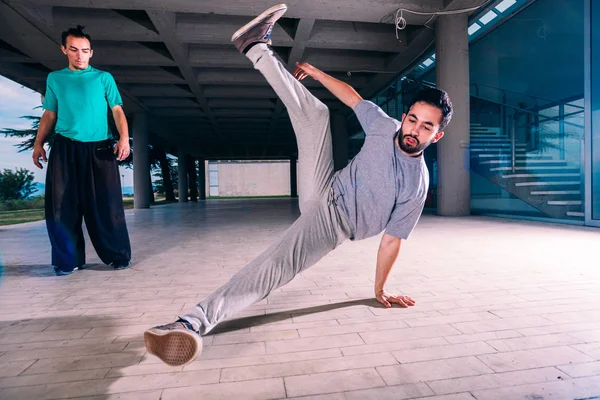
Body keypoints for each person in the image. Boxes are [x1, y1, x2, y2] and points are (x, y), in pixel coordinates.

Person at [144, 4, 453, 367]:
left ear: (437, 135)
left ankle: (191, 322)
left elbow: (392, 240)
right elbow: (352, 96)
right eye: (413, 120)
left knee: (276, 265)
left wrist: (379, 289)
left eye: (426, 127)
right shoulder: (385, 125)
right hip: (324, 186)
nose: (414, 130)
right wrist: (319, 74)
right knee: (317, 114)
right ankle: (255, 46)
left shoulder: (417, 185)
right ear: (404, 117)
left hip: (333, 224)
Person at [32, 25, 132, 276]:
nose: (80, 55)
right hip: (65, 148)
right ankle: (68, 260)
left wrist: (124, 139)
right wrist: (38, 143)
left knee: (106, 205)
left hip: (100, 149)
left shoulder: (103, 78)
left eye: (85, 51)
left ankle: (117, 256)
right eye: (74, 50)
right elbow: (50, 114)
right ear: (64, 49)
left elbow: (117, 110)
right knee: (62, 206)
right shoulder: (55, 79)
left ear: (91, 52)